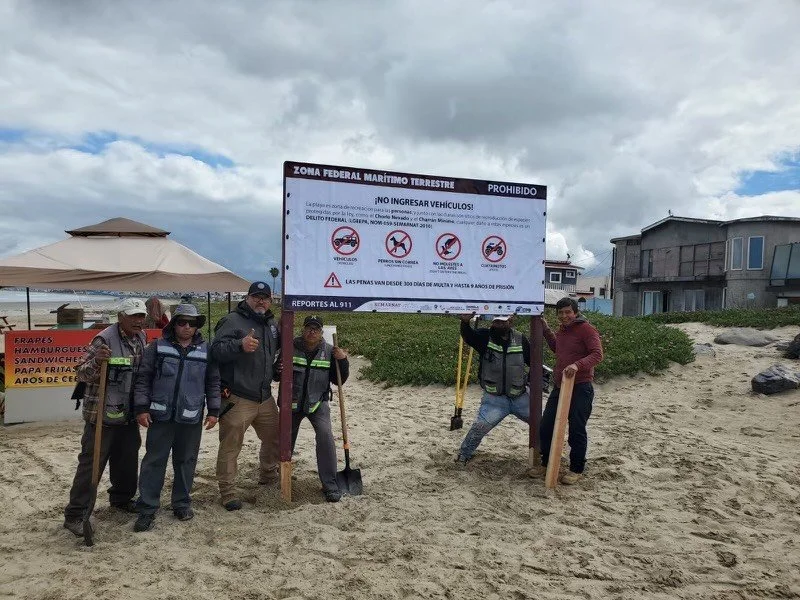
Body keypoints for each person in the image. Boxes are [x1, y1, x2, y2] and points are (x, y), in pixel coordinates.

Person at [131, 304, 221, 532]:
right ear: (174, 324)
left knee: (186, 461)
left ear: (197, 326)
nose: (187, 327)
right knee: (154, 462)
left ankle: (181, 504)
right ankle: (147, 508)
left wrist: (214, 411)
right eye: (182, 322)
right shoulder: (156, 347)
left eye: (192, 323)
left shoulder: (206, 350)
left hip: (191, 417)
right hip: (160, 417)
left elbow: (213, 382)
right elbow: (143, 379)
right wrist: (141, 408)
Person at [63, 298, 148, 536]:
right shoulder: (103, 339)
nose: (138, 320)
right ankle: (75, 514)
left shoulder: (141, 338)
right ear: (120, 317)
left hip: (128, 413)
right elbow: (81, 372)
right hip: (101, 415)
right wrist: (97, 362)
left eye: (141, 316)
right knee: (91, 464)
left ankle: (121, 499)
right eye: (133, 316)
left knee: (127, 459)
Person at [211, 281, 280, 511]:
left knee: (274, 438)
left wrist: (277, 369)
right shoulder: (231, 321)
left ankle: (268, 476)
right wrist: (239, 345)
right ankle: (228, 492)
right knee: (231, 446)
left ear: (270, 301)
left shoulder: (271, 324)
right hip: (238, 397)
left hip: (265, 397)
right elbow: (215, 351)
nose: (261, 301)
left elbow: (273, 354)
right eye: (256, 296)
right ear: (247, 298)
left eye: (265, 297)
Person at [535, 297, 603, 485]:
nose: (564, 316)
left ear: (575, 312)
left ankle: (576, 469)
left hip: (581, 386)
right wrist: (546, 330)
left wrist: (577, 365)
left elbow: (597, 354)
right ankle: (546, 463)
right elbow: (558, 348)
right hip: (560, 385)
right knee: (546, 426)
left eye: (568, 312)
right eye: (561, 313)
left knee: (577, 429)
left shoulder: (587, 329)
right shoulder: (563, 330)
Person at [285, 315, 349, 503]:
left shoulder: (330, 351)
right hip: (292, 403)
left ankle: (330, 484)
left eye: (316, 329)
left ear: (321, 332)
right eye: (309, 328)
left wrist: (343, 361)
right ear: (303, 329)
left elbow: (338, 380)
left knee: (325, 436)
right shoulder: (290, 347)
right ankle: (279, 477)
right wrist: (278, 369)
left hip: (318, 403)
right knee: (284, 439)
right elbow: (276, 374)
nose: (312, 332)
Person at [455, 314, 531, 464]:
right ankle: (464, 454)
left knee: (540, 425)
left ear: (510, 321)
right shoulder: (484, 337)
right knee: (480, 427)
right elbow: (469, 336)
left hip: (520, 396)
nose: (499, 325)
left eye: (503, 322)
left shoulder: (521, 339)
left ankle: (545, 455)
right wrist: (465, 322)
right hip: (494, 398)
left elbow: (532, 361)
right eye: (496, 321)